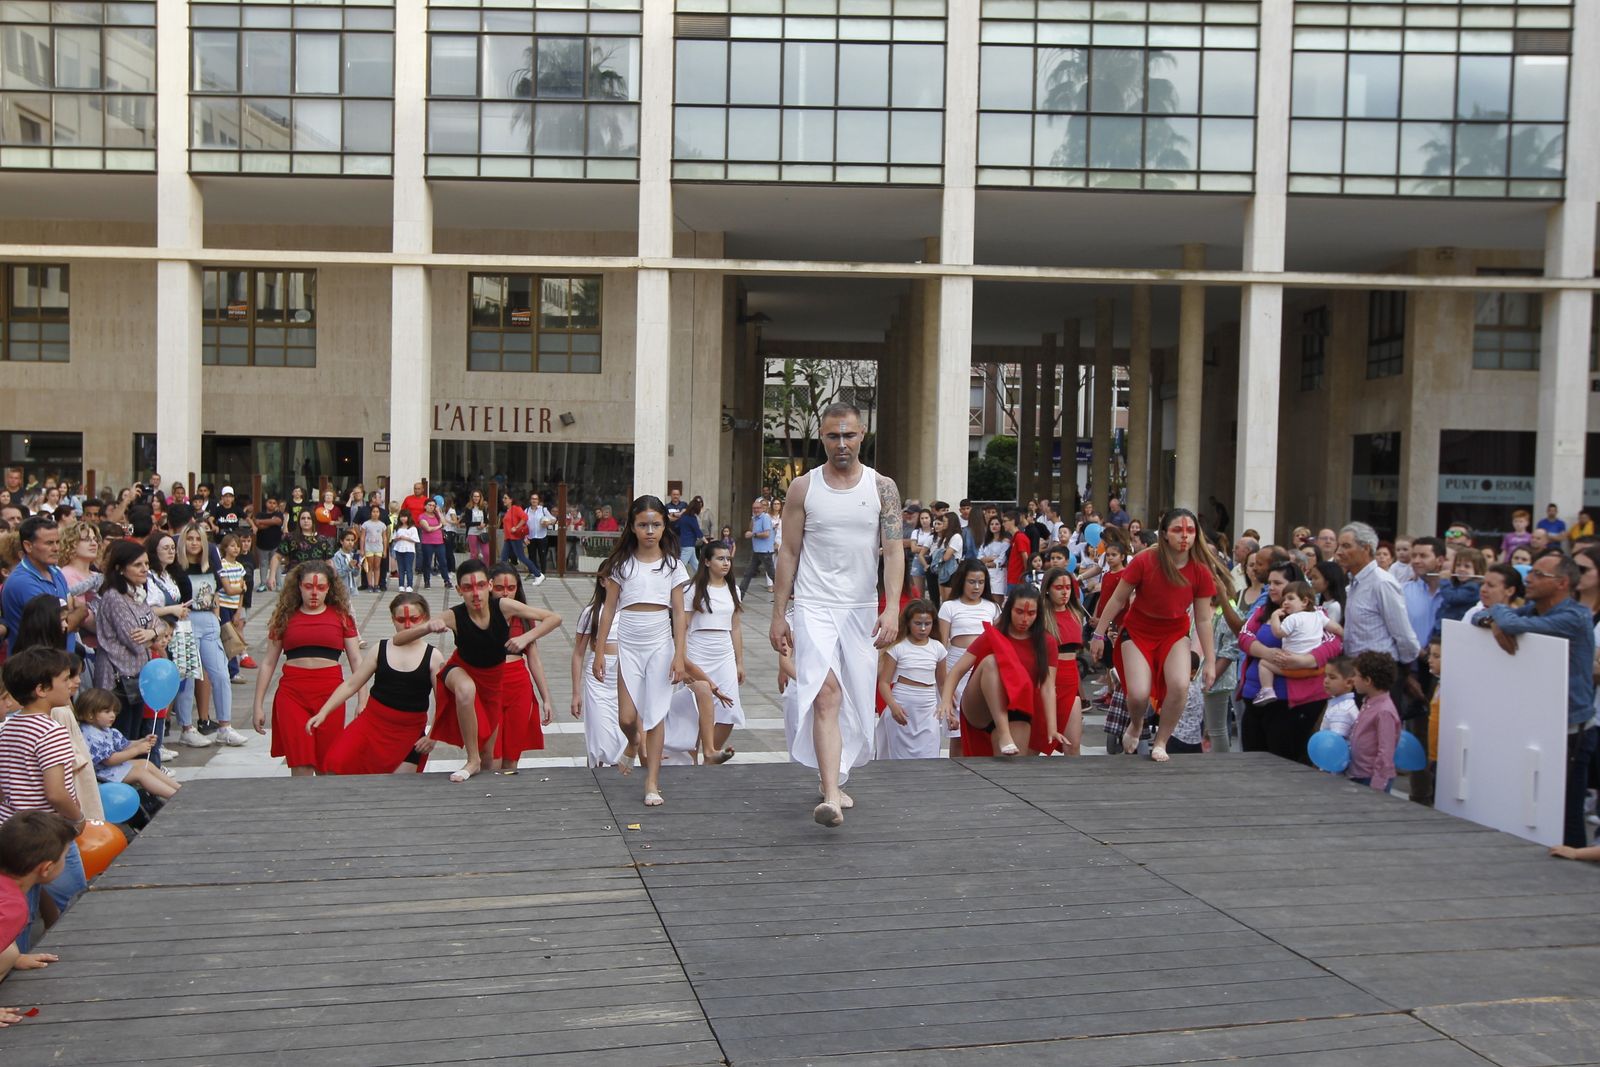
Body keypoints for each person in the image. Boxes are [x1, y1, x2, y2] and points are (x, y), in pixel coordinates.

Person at [769, 403, 903, 828]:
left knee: (859, 701)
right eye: (832, 436)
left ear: (862, 434)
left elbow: (895, 550)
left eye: (848, 435)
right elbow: (788, 552)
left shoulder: (883, 488)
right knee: (825, 694)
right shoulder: (803, 489)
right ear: (822, 438)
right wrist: (778, 614)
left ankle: (837, 777)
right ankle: (829, 794)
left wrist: (893, 607)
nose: (841, 444)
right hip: (813, 605)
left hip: (861, 608)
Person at [1474, 553, 1595, 849]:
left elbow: (1511, 622)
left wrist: (1502, 615)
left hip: (1571, 729)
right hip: (1538, 722)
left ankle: (1577, 868)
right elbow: (1480, 616)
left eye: (1539, 575)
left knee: (1566, 813)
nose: (1529, 578)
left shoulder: (1574, 616)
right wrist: (1496, 620)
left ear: (1562, 584)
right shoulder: (1535, 610)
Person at [397, 560, 556, 781]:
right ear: (459, 590)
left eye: (481, 585)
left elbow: (554, 618)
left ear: (488, 586)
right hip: (462, 670)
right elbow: (398, 639)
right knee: (465, 689)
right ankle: (472, 761)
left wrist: (525, 638)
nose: (476, 593)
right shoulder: (454, 615)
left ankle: (490, 786)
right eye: (468, 587)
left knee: (494, 756)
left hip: (495, 683)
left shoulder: (505, 608)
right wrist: (426, 626)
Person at [1089, 509, 1219, 763]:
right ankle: (1136, 725)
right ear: (1165, 534)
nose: (1184, 536)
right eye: (1177, 530)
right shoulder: (1145, 560)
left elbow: (1203, 619)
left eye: (1190, 531)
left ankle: (1161, 741)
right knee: (1137, 694)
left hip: (1174, 633)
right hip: (1137, 631)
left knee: (1180, 685)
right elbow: (1118, 598)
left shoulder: (1201, 570)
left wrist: (1211, 662)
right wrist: (1098, 633)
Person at [592, 497, 694, 807]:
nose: (650, 531)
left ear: (665, 526)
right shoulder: (621, 565)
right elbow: (608, 611)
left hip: (661, 646)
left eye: (656, 524)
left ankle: (652, 782)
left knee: (655, 716)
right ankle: (633, 743)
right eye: (643, 525)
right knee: (626, 717)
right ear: (633, 527)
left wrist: (679, 654)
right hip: (629, 646)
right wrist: (598, 651)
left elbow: (679, 613)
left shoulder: (673, 565)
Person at [311, 594, 480, 778]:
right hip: (372, 723)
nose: (407, 625)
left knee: (398, 784)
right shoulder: (380, 648)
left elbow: (443, 701)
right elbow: (352, 684)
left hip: (409, 731)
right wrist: (324, 711)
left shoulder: (433, 656)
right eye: (401, 620)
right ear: (393, 620)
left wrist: (432, 735)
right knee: (334, 763)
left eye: (414, 619)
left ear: (425, 618)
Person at [0, 648, 87, 944]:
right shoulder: (51, 731)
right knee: (75, 901)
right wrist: (78, 818)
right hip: (47, 833)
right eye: (65, 679)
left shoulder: (8, 727)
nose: (72, 683)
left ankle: (16, 962)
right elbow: (56, 792)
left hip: (11, 830)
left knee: (20, 909)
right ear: (41, 689)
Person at [250, 561, 363, 775]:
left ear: (329, 588)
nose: (314, 593)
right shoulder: (284, 617)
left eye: (321, 587)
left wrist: (362, 700)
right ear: (299, 586)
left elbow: (357, 660)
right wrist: (257, 705)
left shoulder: (342, 616)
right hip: (292, 694)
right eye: (308, 587)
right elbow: (268, 662)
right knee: (301, 762)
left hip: (331, 695)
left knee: (327, 763)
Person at [937, 585, 1062, 757]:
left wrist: (1052, 727)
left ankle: (1004, 735)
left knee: (1014, 769)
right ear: (1009, 609)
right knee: (991, 662)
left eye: (1031, 613)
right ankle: (1004, 733)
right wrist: (945, 701)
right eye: (1019, 611)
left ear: (1038, 614)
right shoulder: (993, 634)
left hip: (1018, 707)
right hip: (980, 706)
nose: (1024, 618)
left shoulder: (1046, 642)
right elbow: (957, 671)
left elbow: (1048, 687)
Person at [1238, 561, 1343, 764]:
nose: (1272, 588)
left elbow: (1334, 643)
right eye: (1269, 583)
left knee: (1283, 762)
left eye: (1278, 583)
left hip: (1292, 702)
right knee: (1252, 763)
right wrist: (1267, 653)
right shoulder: (1263, 611)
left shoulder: (1315, 613)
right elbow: (1244, 636)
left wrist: (1304, 660)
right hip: (1254, 697)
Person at [173, 523, 248, 747]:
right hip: (186, 622)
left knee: (221, 674)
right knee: (187, 677)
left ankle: (225, 726)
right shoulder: (177, 567)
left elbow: (218, 592)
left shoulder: (211, 564)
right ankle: (186, 727)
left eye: (198, 539)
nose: (194, 543)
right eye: (190, 538)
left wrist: (217, 617)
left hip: (208, 620)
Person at [0, 811, 77, 1002]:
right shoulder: (11, 907)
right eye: (65, 857)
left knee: (10, 953)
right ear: (46, 868)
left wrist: (13, 959)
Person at [489, 565, 556, 773]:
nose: (506, 592)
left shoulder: (525, 617)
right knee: (491, 758)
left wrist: (546, 699)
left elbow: (534, 659)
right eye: (500, 587)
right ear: (489, 587)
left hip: (518, 685)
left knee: (511, 755)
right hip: (490, 684)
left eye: (511, 587)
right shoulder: (480, 616)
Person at [684, 542, 745, 757]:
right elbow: (683, 626)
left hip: (724, 651)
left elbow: (735, 627)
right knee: (696, 709)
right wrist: (681, 659)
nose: (726, 563)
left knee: (730, 708)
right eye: (720, 558)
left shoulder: (733, 589)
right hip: (698, 650)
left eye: (728, 559)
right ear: (707, 562)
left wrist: (739, 662)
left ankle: (710, 754)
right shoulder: (693, 590)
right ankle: (694, 756)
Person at [936, 561, 997, 756]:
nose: (976, 587)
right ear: (962, 581)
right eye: (972, 582)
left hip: (983, 668)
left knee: (982, 724)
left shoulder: (993, 607)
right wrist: (946, 685)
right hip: (956, 666)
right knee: (957, 731)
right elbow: (941, 646)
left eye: (981, 582)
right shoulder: (949, 607)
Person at [75, 686, 178, 800]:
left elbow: (124, 745)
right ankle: (173, 796)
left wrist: (142, 741)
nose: (112, 715)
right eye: (107, 711)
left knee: (145, 763)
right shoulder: (91, 734)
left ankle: (178, 789)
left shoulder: (104, 729)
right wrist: (137, 750)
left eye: (114, 711)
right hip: (102, 774)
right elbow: (110, 760)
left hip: (108, 769)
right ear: (90, 714)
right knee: (140, 773)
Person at [875, 599, 947, 759]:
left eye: (927, 623)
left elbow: (943, 683)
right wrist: (893, 706)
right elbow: (884, 683)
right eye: (918, 623)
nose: (922, 628)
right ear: (908, 623)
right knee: (899, 758)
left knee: (929, 755)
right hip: (902, 708)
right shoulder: (898, 647)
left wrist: (947, 707)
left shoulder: (938, 648)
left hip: (928, 710)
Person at [2, 517, 85, 655]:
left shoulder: (56, 571)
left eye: (58, 542)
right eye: (49, 543)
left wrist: (70, 618)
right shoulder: (22, 582)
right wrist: (81, 612)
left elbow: (66, 615)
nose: (56, 548)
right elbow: (55, 627)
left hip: (60, 663)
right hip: (35, 667)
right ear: (28, 546)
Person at [1253, 580, 1343, 704]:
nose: (1285, 602)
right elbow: (1336, 628)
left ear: (1305, 601)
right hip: (1315, 667)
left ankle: (1267, 689)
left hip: (1291, 666)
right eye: (1284, 599)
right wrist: (1345, 636)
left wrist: (1274, 617)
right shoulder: (1319, 615)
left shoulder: (1292, 619)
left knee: (1263, 663)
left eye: (1290, 598)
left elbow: (1278, 633)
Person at [571, 577, 629, 770]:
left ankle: (616, 780)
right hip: (599, 678)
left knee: (622, 733)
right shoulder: (591, 612)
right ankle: (594, 775)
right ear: (603, 581)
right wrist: (576, 694)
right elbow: (578, 654)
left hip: (624, 676)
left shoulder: (630, 611)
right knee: (598, 733)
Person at [1042, 567, 1085, 755]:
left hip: (1071, 680)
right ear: (1048, 589)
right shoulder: (1041, 616)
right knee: (1036, 741)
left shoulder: (1076, 613)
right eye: (1059, 587)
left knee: (1072, 744)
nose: (1064, 591)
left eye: (1068, 587)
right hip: (1048, 680)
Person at [1346, 652, 1401, 792]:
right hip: (1359, 773)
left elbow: (1386, 751)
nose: (1352, 679)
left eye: (1355, 675)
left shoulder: (1384, 711)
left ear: (1368, 680)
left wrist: (1378, 785)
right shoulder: (1369, 702)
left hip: (1371, 778)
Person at [738, 497, 776, 597]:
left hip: (765, 551)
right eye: (754, 508)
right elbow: (751, 529)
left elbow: (766, 534)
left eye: (758, 508)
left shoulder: (765, 517)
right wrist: (752, 523)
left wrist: (753, 535)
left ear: (763, 508)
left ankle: (787, 592)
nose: (756, 510)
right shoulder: (754, 518)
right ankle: (740, 595)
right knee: (748, 573)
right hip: (757, 550)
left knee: (772, 574)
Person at [1320, 656, 1360, 737]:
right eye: (1325, 676)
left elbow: (1334, 742)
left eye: (1332, 677)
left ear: (1349, 682)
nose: (1326, 681)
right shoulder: (1340, 705)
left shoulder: (1341, 711)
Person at [499, 491, 536, 576]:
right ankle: (502, 575)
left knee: (521, 557)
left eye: (505, 498)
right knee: (504, 558)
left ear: (511, 500)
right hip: (508, 538)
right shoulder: (508, 510)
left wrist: (516, 527)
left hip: (515, 537)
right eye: (503, 498)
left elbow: (525, 517)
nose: (503, 500)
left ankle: (537, 572)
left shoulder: (515, 508)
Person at [416, 499, 448, 590]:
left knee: (443, 562)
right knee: (427, 562)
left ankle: (446, 580)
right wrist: (439, 526)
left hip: (439, 542)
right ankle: (427, 581)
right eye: (429, 505)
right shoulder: (422, 516)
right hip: (427, 543)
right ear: (425, 506)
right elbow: (428, 529)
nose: (431, 507)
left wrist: (439, 512)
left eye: (433, 505)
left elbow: (445, 523)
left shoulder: (437, 515)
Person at [526, 491, 555, 584]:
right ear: (530, 500)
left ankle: (542, 574)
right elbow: (523, 524)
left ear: (538, 501)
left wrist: (548, 522)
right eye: (532, 499)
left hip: (541, 536)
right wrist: (524, 537)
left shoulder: (543, 510)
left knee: (542, 556)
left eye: (536, 499)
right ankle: (533, 573)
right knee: (531, 556)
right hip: (531, 537)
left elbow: (554, 519)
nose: (534, 500)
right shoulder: (526, 511)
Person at [360, 506, 389, 592]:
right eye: (373, 512)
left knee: (377, 567)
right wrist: (362, 549)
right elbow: (362, 537)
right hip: (369, 548)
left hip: (378, 548)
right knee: (369, 566)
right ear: (370, 513)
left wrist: (384, 550)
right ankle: (370, 585)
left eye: (377, 512)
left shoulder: (382, 525)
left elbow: (384, 538)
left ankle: (376, 585)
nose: (375, 513)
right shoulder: (366, 524)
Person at [390, 510, 420, 592]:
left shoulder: (413, 528)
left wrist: (405, 538)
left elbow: (416, 539)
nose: (403, 519)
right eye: (401, 517)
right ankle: (401, 585)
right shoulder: (398, 527)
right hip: (399, 549)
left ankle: (410, 585)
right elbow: (394, 538)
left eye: (405, 517)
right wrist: (398, 538)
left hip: (409, 550)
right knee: (401, 568)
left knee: (409, 568)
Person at [676, 497, 706, 573]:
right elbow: (697, 531)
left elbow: (678, 527)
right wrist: (706, 541)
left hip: (684, 542)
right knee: (682, 564)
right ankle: (675, 578)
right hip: (689, 543)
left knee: (695, 563)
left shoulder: (683, 516)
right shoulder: (692, 518)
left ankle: (701, 576)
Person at [463, 489, 491, 565]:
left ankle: (485, 570)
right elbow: (467, 522)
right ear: (472, 497)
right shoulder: (468, 508)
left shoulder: (482, 508)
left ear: (480, 497)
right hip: (472, 533)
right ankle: (473, 570)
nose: (476, 498)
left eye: (478, 496)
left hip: (482, 533)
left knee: (486, 553)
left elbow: (486, 520)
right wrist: (478, 524)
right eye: (475, 496)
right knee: (474, 554)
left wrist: (484, 525)